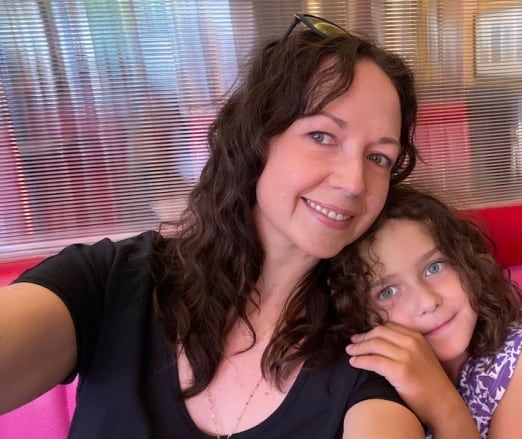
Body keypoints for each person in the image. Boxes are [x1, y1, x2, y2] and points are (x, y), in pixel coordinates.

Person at [0, 13, 426, 438]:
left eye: (378, 158)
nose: (353, 181)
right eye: (322, 136)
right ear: (259, 139)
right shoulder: (114, 284)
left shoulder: (366, 352)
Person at [329, 184, 522, 439]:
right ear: (358, 313)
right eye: (387, 292)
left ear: (467, 265)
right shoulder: (375, 382)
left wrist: (444, 407)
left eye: (434, 267)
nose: (428, 302)